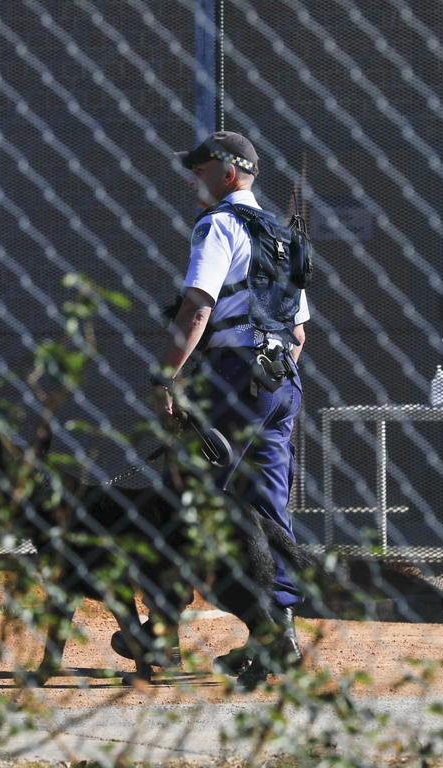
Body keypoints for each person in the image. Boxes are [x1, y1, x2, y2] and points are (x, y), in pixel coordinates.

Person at [151, 130, 310, 674]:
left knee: (186, 498)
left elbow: (198, 306)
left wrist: (166, 377)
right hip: (281, 380)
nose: (194, 180)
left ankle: (159, 634)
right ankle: (281, 636)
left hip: (234, 374)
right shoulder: (283, 234)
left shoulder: (219, 224)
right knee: (267, 508)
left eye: (200, 170)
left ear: (227, 170)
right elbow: (300, 332)